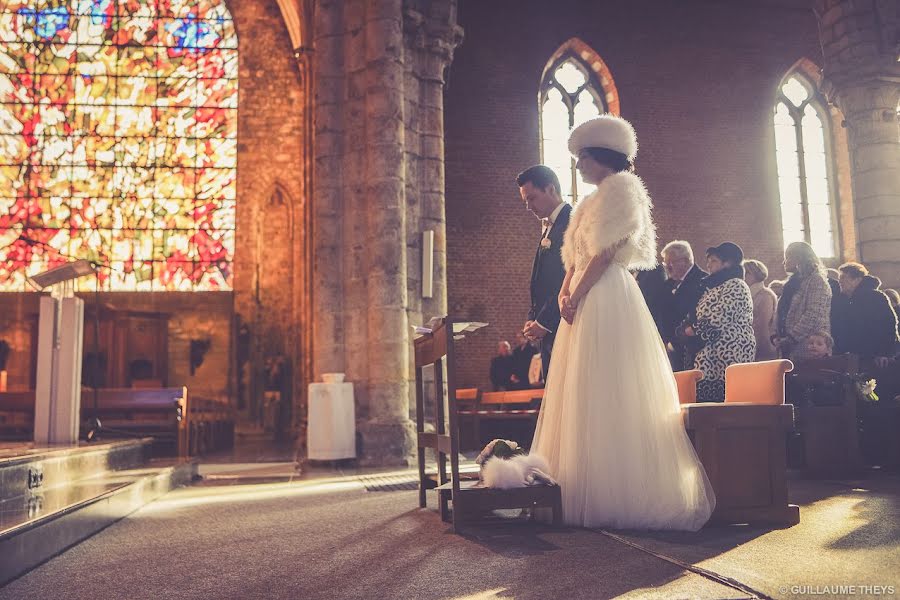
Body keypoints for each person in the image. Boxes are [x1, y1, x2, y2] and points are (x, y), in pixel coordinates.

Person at [532, 115, 715, 531]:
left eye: (583, 157)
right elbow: (575, 256)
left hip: (607, 295)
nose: (578, 165)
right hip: (580, 295)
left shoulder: (624, 191)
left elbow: (604, 252)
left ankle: (616, 493)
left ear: (602, 156)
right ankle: (579, 485)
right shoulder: (586, 202)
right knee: (580, 388)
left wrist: (576, 294)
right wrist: (564, 290)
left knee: (610, 386)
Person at [678, 243, 756, 403]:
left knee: (722, 406)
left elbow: (719, 318)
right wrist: (686, 326)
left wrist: (691, 330)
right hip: (709, 354)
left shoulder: (736, 285)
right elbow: (697, 313)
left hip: (727, 356)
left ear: (728, 263)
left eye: (713, 260)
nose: (708, 264)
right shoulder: (713, 286)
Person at [517, 165, 572, 380]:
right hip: (548, 328)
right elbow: (541, 280)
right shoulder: (549, 226)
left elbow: (565, 277)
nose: (529, 207)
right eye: (525, 201)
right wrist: (533, 319)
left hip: (561, 323)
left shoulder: (570, 222)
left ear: (550, 189)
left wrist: (545, 321)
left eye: (532, 198)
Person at [773, 241, 832, 362]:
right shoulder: (792, 283)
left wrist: (791, 338)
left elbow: (813, 314)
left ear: (798, 258)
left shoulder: (816, 281)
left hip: (807, 346)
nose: (784, 262)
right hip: (787, 346)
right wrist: (775, 335)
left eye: (787, 257)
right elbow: (782, 311)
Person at [659, 240, 708, 371]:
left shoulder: (703, 282)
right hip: (669, 350)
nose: (668, 267)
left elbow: (698, 316)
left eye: (672, 262)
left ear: (686, 261)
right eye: (666, 263)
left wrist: (676, 341)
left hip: (691, 352)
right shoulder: (667, 285)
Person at [836, 263, 899, 361]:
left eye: (844, 277)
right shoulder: (843, 299)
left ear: (857, 279)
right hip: (853, 356)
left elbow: (887, 325)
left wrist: (884, 353)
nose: (840, 281)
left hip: (874, 356)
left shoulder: (875, 298)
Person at [743, 259, 778, 360]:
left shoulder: (765, 295)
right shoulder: (747, 295)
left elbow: (763, 327)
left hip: (762, 349)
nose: (744, 276)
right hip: (749, 347)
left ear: (757, 275)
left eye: (748, 273)